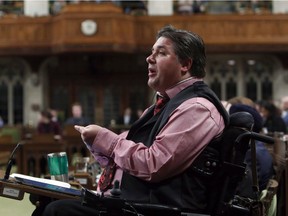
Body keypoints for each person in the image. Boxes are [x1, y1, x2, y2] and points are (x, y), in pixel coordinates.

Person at [40, 25, 227, 216]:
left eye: (161, 53)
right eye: (151, 52)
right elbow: (128, 156)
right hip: (136, 202)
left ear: (185, 65)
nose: (149, 58)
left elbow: (154, 164)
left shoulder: (196, 108)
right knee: (49, 199)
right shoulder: (165, 105)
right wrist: (97, 142)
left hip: (157, 210)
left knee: (58, 211)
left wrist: (106, 140)